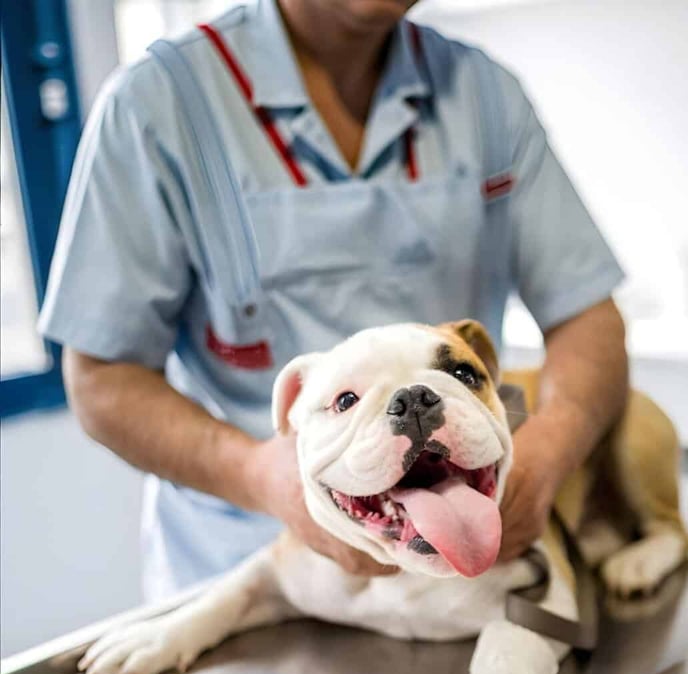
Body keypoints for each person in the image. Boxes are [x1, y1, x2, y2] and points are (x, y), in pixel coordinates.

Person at [40, 0, 627, 601]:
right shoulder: (158, 105)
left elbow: (587, 316)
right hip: (246, 577)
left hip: (467, 565)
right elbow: (101, 379)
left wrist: (547, 451)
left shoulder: (486, 95)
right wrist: (261, 476)